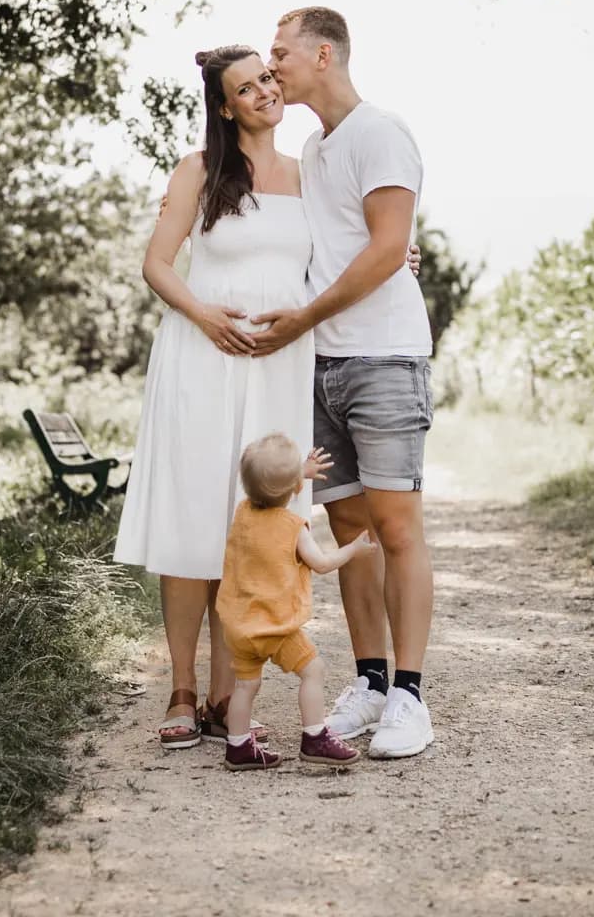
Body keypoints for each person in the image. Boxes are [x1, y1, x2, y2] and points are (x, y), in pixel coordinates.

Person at [114, 41, 422, 752]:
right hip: (203, 358)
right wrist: (204, 315)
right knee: (192, 518)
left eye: (266, 79)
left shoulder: (309, 172)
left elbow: (357, 233)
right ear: (224, 105)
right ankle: (184, 688)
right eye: (246, 87)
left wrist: (401, 251)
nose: (264, 92)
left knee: (251, 523)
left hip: (280, 365)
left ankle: (230, 690)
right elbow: (157, 264)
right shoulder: (199, 171)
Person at [252, 6, 436, 759]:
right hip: (321, 365)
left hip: (384, 356)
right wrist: (301, 328)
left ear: (323, 54)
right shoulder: (314, 148)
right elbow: (332, 246)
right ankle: (367, 683)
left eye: (280, 53)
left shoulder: (380, 132)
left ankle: (411, 698)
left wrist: (304, 317)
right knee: (350, 533)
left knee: (397, 530)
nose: (272, 68)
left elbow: (390, 247)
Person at [215, 431, 377, 771]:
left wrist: (297, 474)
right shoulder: (293, 527)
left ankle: (238, 747)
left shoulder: (242, 513)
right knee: (312, 671)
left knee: (246, 685)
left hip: (240, 625)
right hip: (276, 627)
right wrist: (354, 548)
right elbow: (321, 563)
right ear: (293, 489)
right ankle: (315, 736)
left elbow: (269, 488)